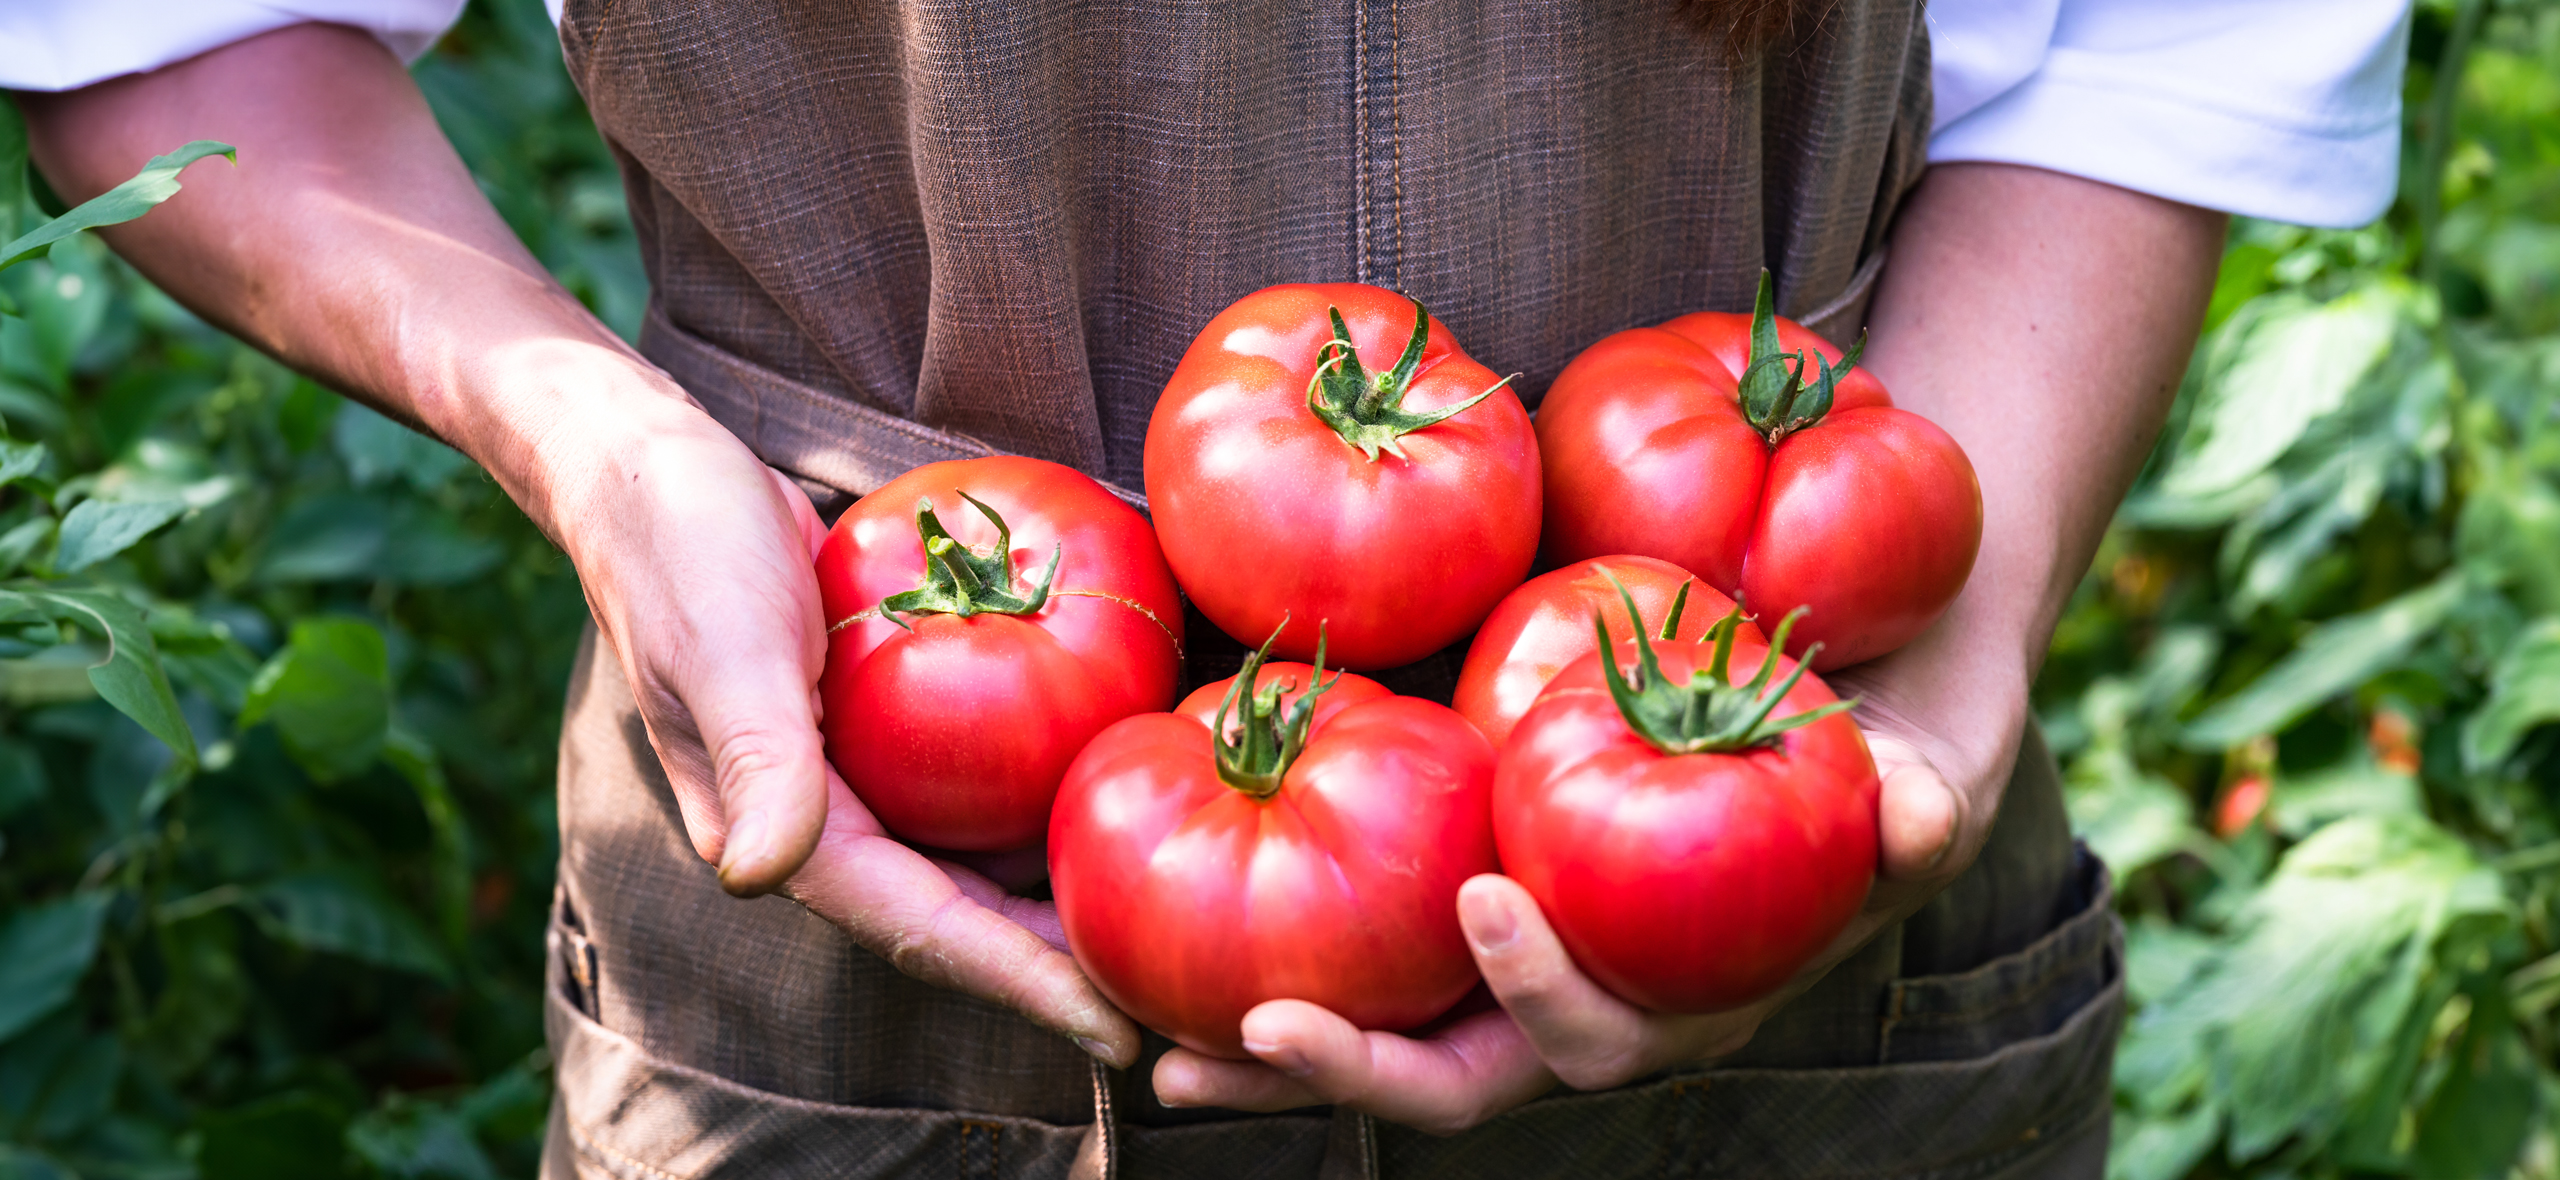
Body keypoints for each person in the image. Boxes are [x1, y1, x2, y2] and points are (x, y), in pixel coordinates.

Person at [7, 1, 2412, 1175]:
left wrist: (1937, 656)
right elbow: (169, 23)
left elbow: (2160, 36)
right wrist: (602, 441)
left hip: (1808, 840)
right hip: (836, 853)